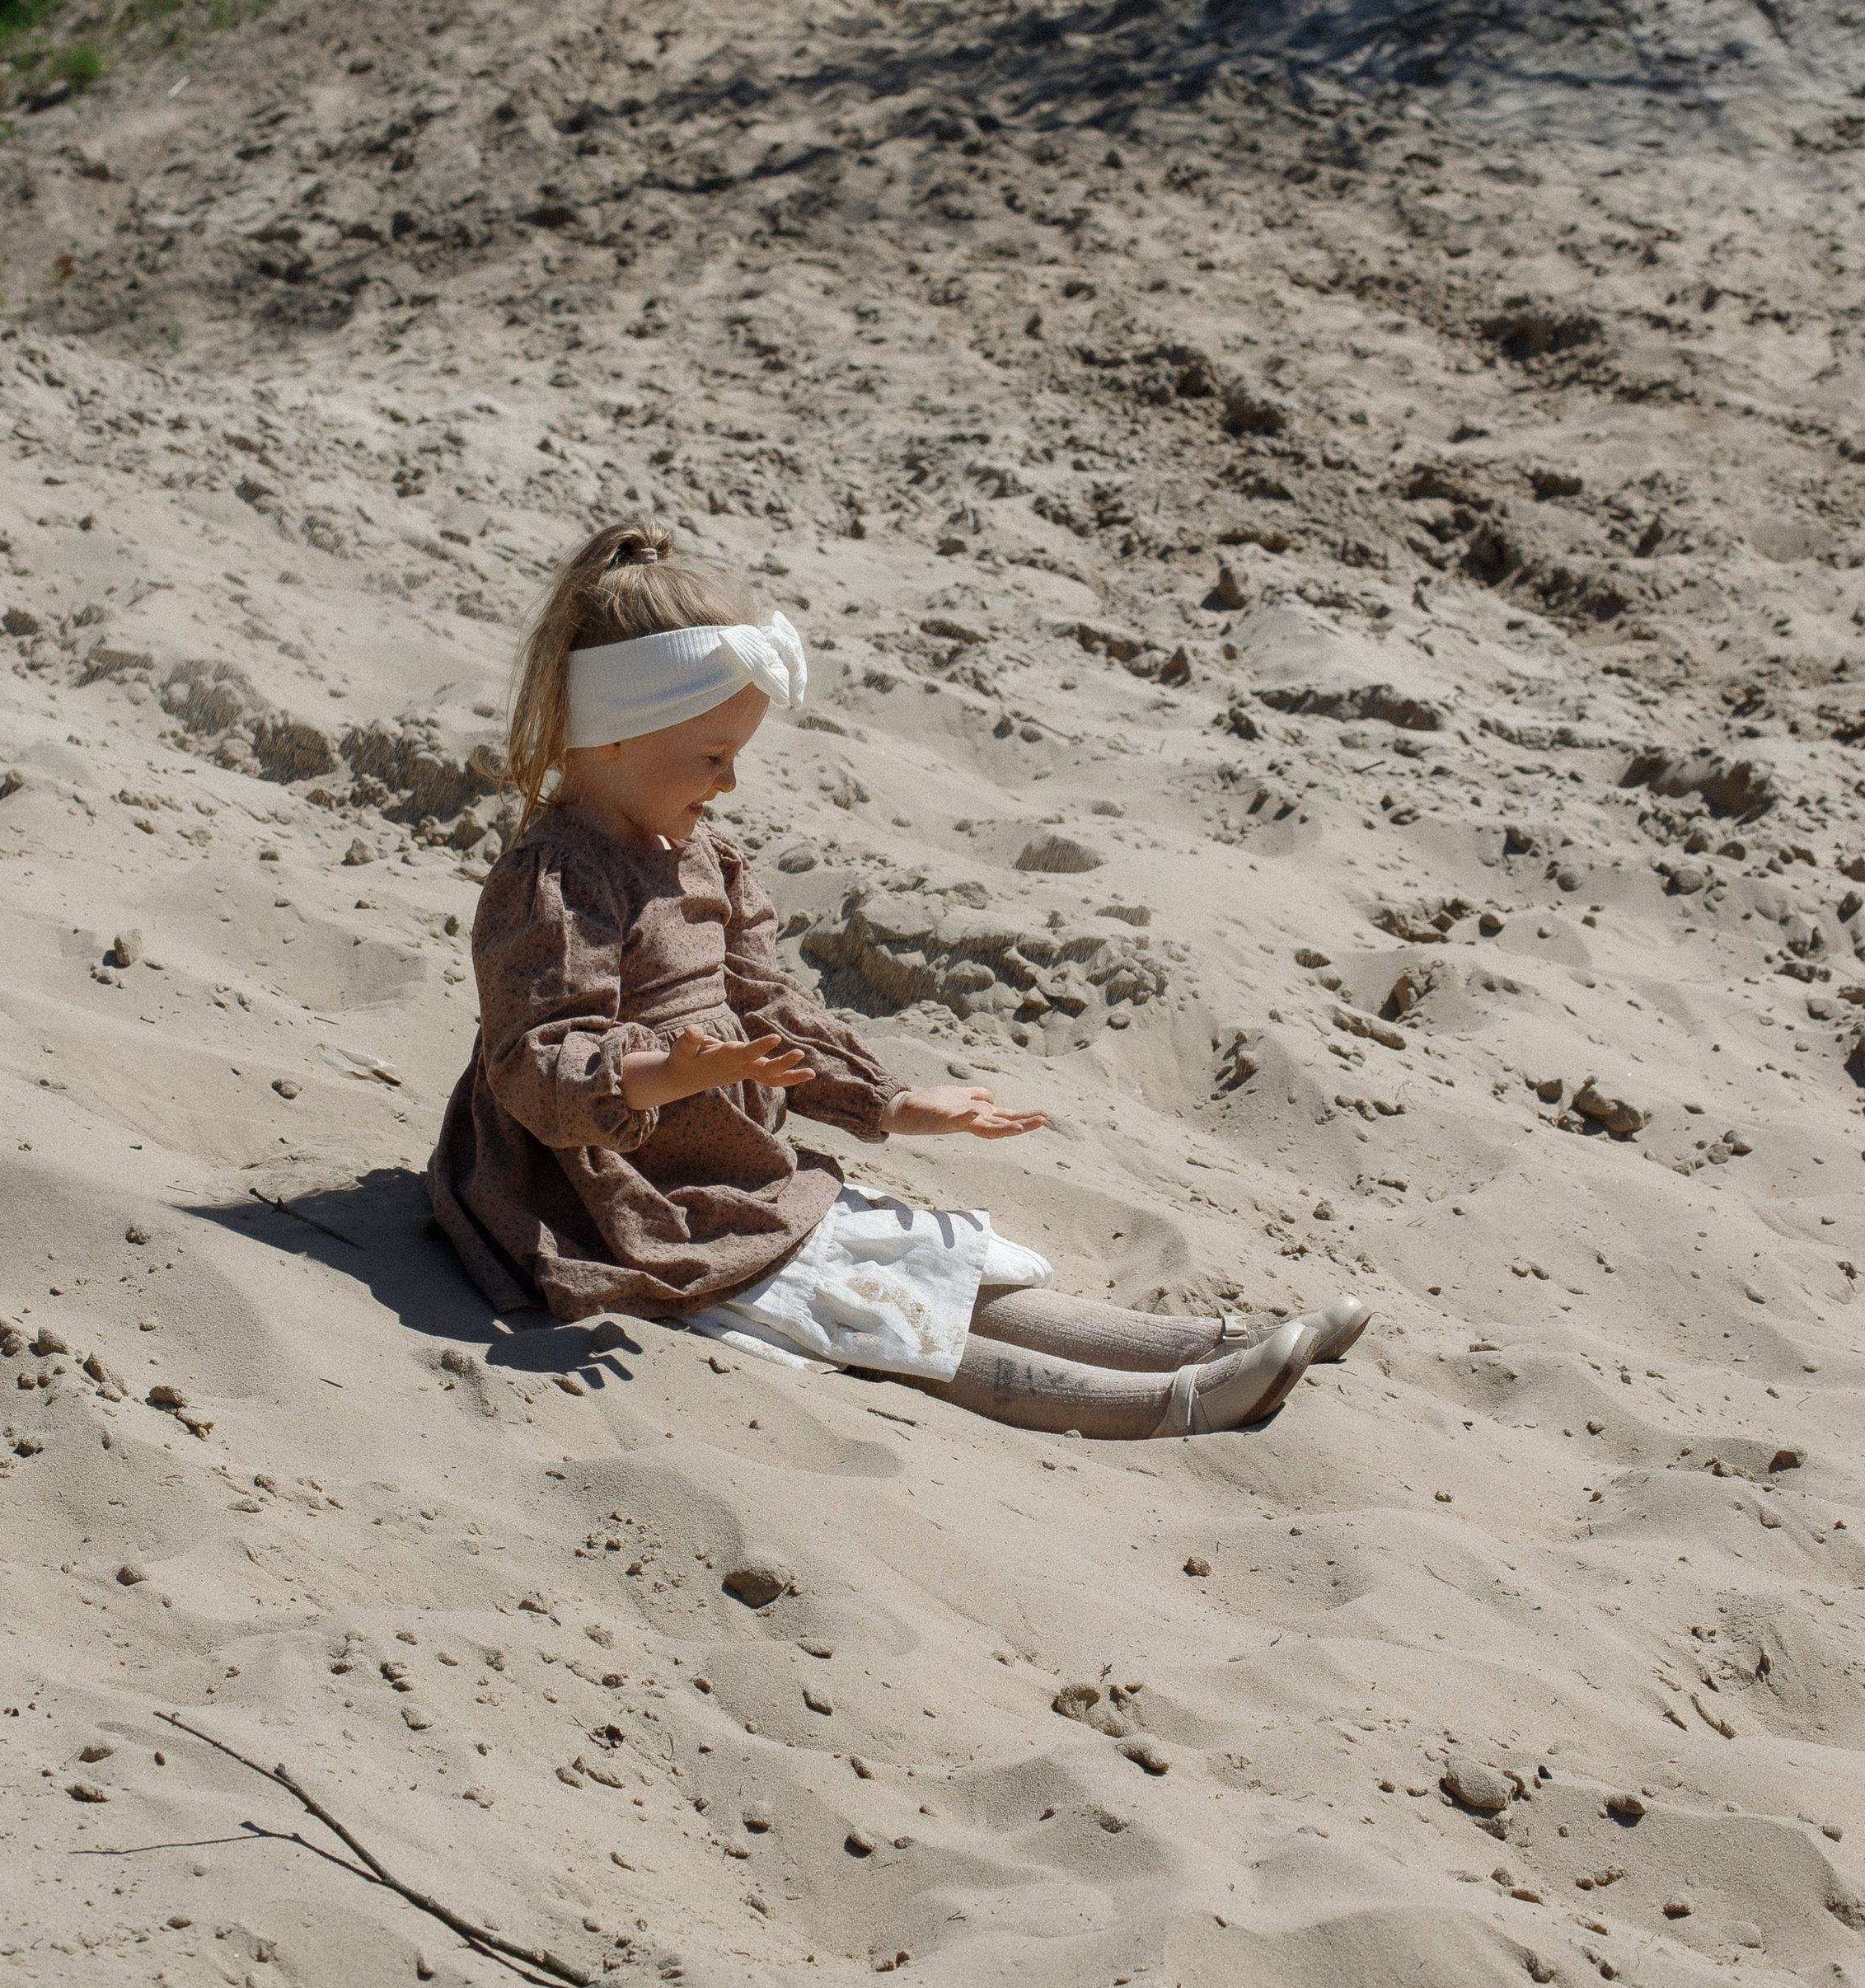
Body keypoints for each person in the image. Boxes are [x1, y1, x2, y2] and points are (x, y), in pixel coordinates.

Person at [429, 522, 1369, 1437]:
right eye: (711, 756)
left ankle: (1212, 1343)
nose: (728, 781)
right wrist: (662, 1077)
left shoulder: (706, 856)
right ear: (618, 736)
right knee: (868, 1310)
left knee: (919, 1264)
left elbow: (768, 1004)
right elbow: (538, 1057)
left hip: (726, 1163)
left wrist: (888, 1102)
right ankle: (1184, 1399)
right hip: (606, 1190)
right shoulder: (554, 879)